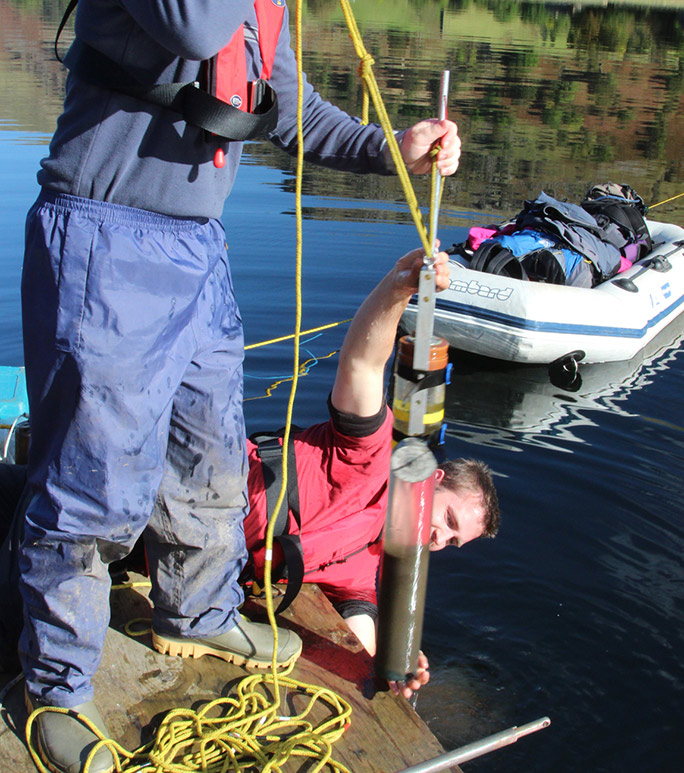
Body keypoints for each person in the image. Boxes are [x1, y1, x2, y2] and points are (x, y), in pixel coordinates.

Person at [18, 2, 462, 772]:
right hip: (107, 234)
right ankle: (54, 686)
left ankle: (196, 612)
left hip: (197, 244)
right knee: (93, 488)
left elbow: (289, 109)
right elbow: (193, 29)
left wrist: (396, 147)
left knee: (211, 459)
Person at [232, 247, 500, 695]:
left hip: (196, 562)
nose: (440, 540)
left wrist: (389, 664)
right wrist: (399, 288)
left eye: (453, 542)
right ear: (433, 479)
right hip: (184, 495)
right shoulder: (373, 451)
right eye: (449, 520)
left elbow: (357, 610)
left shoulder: (371, 559)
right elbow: (362, 362)